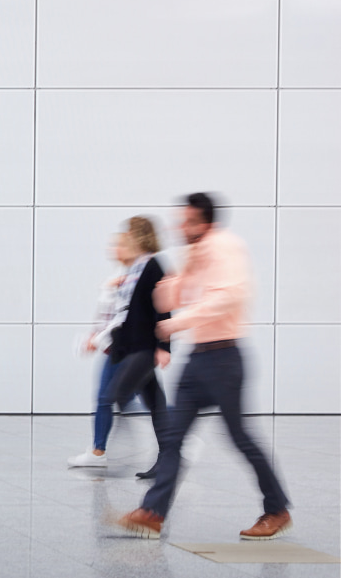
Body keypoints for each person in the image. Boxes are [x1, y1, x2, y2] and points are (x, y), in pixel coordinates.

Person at [117, 193, 293, 541]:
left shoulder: (226, 247)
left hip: (225, 358)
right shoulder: (196, 253)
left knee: (240, 437)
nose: (181, 228)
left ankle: (276, 509)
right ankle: (152, 512)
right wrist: (181, 275)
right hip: (199, 359)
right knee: (173, 438)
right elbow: (167, 299)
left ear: (206, 223)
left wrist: (179, 322)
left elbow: (227, 297)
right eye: (181, 221)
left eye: (189, 222)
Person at [69, 218, 170, 472]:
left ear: (140, 237)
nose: (122, 240)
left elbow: (163, 308)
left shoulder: (153, 266)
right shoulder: (134, 269)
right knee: (155, 404)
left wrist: (165, 347)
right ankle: (170, 455)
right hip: (129, 345)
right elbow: (125, 313)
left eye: (128, 235)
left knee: (118, 394)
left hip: (142, 347)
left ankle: (159, 448)